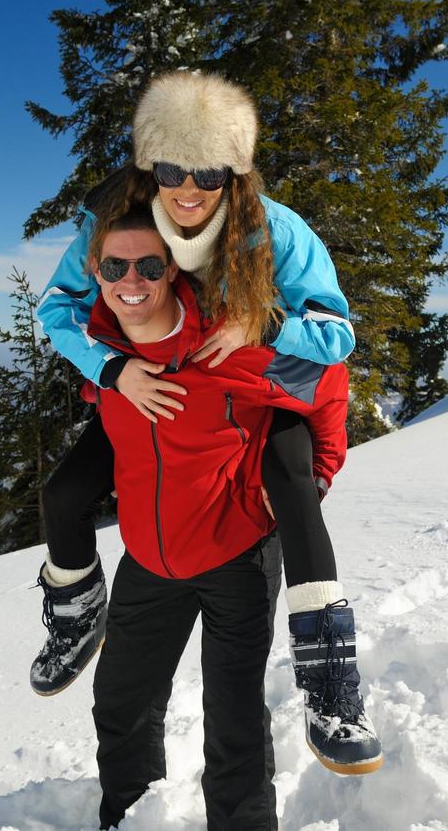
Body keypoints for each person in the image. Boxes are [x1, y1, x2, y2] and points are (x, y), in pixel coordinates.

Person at [30, 71, 381, 776]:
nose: (188, 189)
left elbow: (336, 333)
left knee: (292, 485)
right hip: (149, 381)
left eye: (209, 173)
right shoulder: (114, 223)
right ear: (148, 167)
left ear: (235, 173)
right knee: (66, 493)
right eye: (170, 169)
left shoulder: (275, 231)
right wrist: (111, 371)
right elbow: (57, 309)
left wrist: (264, 323)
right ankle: (74, 607)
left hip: (257, 386)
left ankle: (330, 679)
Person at [74, 206, 356, 827]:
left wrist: (319, 473)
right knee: (121, 701)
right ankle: (127, 817)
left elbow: (327, 381)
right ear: (95, 271)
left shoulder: (225, 341)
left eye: (149, 265)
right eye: (115, 266)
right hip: (149, 558)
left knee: (233, 720)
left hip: (238, 553)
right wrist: (112, 375)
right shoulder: (105, 354)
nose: (132, 280)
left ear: (174, 267)